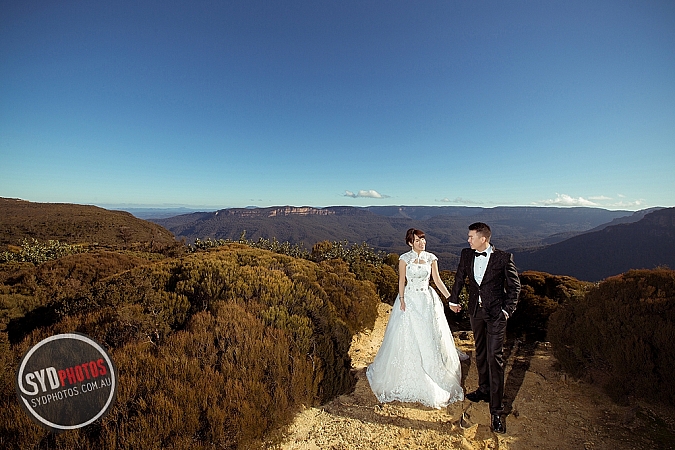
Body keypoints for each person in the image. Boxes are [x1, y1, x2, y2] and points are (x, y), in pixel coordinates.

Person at [366, 228, 464, 409]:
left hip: (426, 301)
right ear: (410, 242)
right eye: (418, 240)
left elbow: (437, 280)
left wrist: (450, 300)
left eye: (423, 239)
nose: (422, 243)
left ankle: (433, 372)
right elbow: (401, 281)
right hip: (410, 300)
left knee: (428, 336)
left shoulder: (431, 258)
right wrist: (402, 299)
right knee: (407, 336)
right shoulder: (404, 259)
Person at [448, 222, 520, 434]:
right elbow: (460, 277)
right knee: (480, 352)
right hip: (475, 312)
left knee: (494, 358)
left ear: (483, 239)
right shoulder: (466, 254)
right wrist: (453, 299)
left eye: (471, 237)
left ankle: (496, 411)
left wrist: (506, 311)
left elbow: (515, 287)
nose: (468, 240)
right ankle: (484, 389)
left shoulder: (503, 258)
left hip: (496, 315)